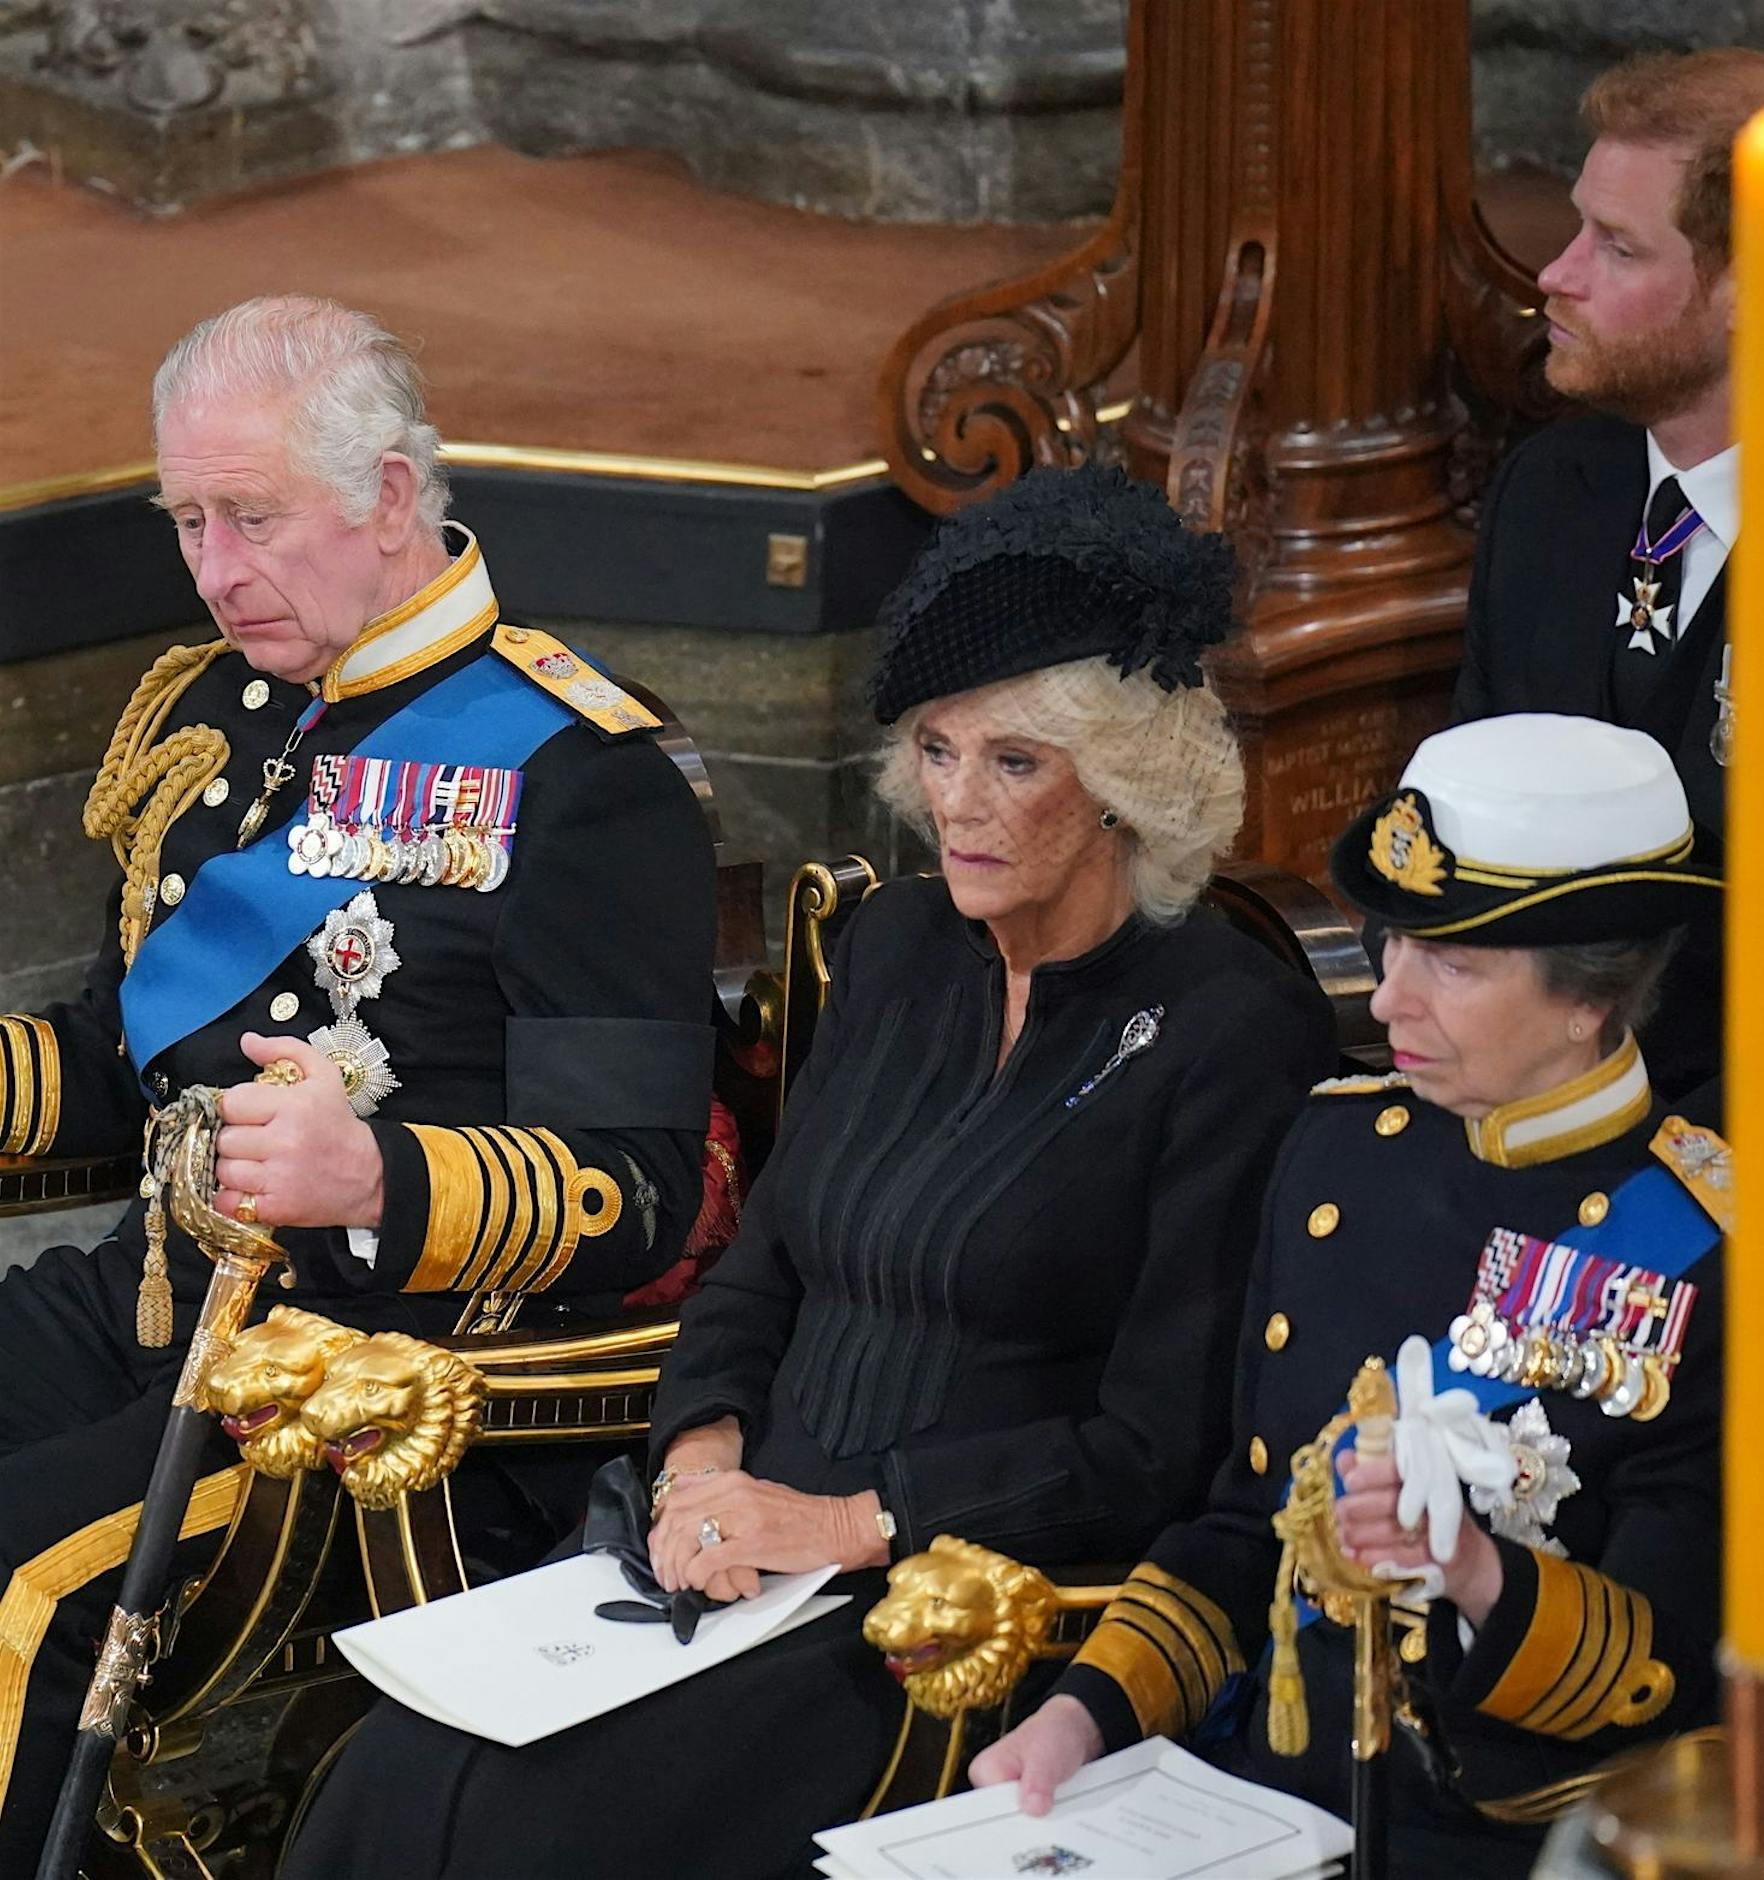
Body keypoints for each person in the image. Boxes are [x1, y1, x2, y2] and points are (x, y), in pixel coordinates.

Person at [282, 464, 1338, 1879]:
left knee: (544, 1832)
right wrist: (701, 1453)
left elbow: (1156, 1450)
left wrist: (851, 1520)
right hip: (733, 1551)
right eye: (942, 752)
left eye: (1016, 763)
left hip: (958, 1607)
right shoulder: (903, 949)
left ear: (1125, 792)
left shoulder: (1227, 1027)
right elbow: (762, 1262)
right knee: (397, 1779)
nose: (957, 803)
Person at [0, 296, 718, 1868]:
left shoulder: (576, 774)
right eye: (185, 518)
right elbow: (130, 1062)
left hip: (364, 1395)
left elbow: (643, 1187)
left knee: (14, 1590)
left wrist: (381, 1178)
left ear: (392, 496)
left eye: (249, 517)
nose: (209, 568)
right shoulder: (211, 713)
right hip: (153, 1304)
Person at [974, 713, 1728, 1878]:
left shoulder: (1714, 1249)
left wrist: (1473, 1569)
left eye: (1453, 963)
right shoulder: (1333, 1152)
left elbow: (1666, 1666)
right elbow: (1242, 1518)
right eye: (1393, 942)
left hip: (1501, 1831)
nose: (1384, 1001)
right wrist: (1081, 1717)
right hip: (1257, 1795)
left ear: (1591, 998)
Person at [1452, 48, 1764, 1105]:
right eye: (1575, 226)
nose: (1555, 274)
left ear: (1751, 285)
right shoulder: (1554, 488)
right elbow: (1459, 810)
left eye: (1616, 246)